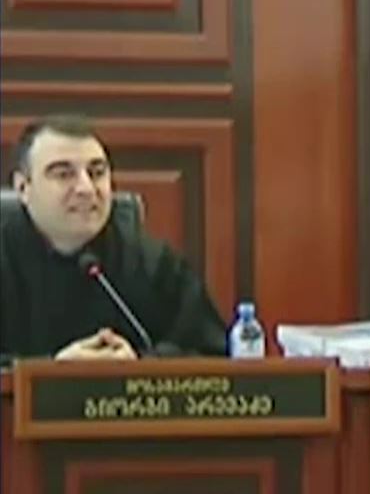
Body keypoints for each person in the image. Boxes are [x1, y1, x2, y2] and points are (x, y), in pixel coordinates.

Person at [0, 115, 226, 364]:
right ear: (23, 187)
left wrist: (138, 365)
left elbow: (212, 356)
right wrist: (51, 370)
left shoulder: (152, 263)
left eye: (97, 173)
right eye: (64, 174)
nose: (86, 188)